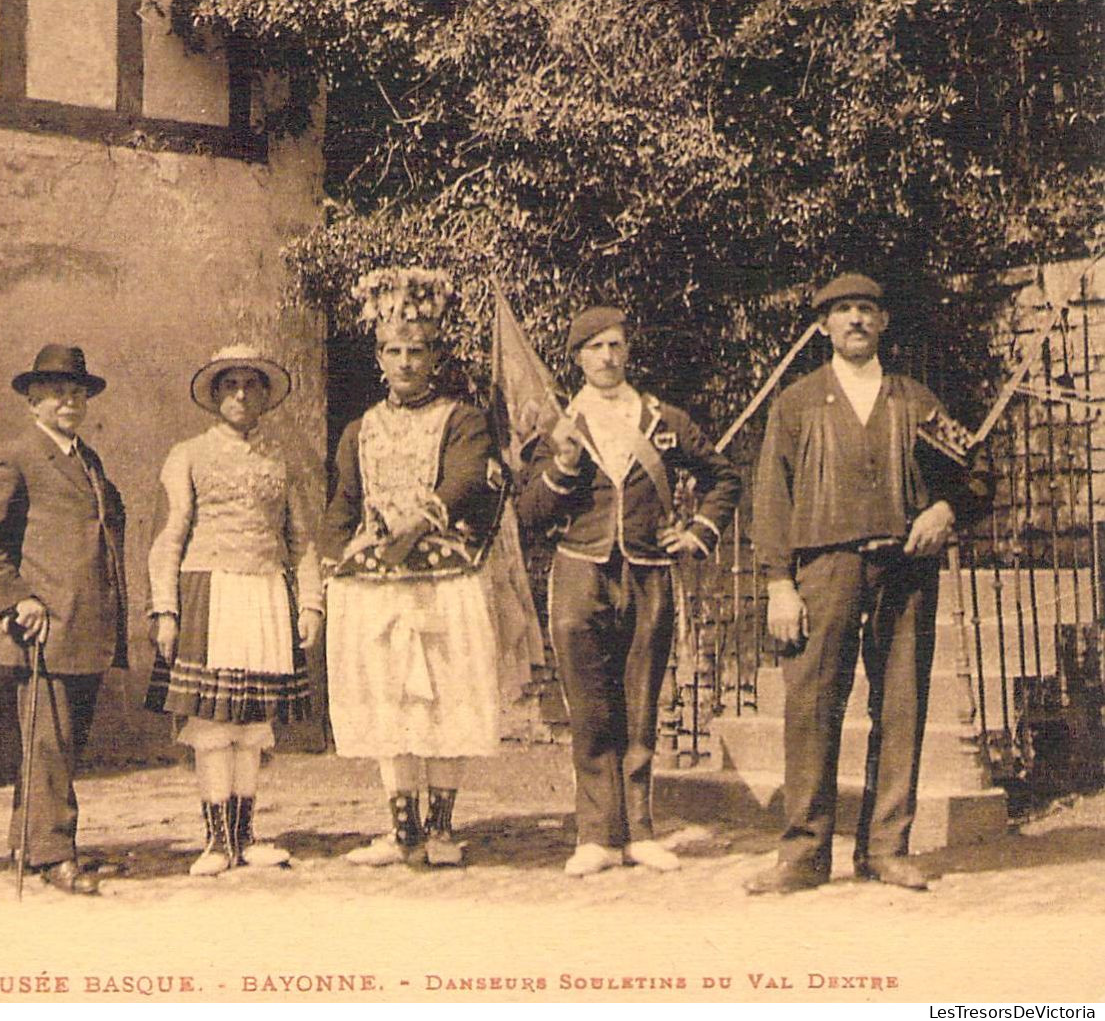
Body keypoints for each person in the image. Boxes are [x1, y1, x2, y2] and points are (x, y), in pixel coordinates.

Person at [745, 273, 981, 894]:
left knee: (901, 705)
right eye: (842, 311)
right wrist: (778, 583)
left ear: (883, 323)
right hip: (825, 570)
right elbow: (771, 498)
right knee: (812, 706)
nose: (855, 320)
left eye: (866, 310)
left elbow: (974, 477)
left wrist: (945, 510)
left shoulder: (915, 401)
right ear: (823, 326)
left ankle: (885, 848)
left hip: (905, 567)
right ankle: (802, 854)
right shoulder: (796, 404)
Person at [515, 306, 741, 877]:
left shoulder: (663, 420)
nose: (608, 357)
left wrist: (696, 533)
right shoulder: (559, 426)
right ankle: (596, 836)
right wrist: (563, 466)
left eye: (616, 345)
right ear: (578, 359)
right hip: (578, 572)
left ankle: (639, 830)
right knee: (589, 709)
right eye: (595, 348)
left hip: (647, 570)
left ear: (627, 351)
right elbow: (529, 512)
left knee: (642, 704)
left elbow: (724, 477)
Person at [319, 267, 510, 868]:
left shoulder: (462, 420)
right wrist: (325, 567)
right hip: (377, 586)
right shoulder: (359, 429)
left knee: (442, 699)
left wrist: (419, 521)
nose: (406, 363)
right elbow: (344, 502)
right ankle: (402, 831)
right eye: (394, 352)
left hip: (442, 581)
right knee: (391, 703)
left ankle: (442, 829)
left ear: (434, 357)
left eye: (417, 352)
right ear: (380, 358)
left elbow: (464, 479)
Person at [146, 345, 324, 876]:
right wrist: (165, 609)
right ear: (215, 396)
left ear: (266, 396)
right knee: (212, 722)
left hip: (266, 591)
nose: (241, 395)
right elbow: (168, 535)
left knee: (252, 723)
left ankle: (246, 836)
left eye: (251, 385)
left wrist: (310, 601)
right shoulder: (188, 454)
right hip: (210, 589)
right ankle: (215, 842)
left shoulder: (281, 459)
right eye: (230, 385)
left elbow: (302, 539)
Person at [0, 344, 125, 896]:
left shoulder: (88, 460)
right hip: (43, 627)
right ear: (33, 401)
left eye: (76, 391)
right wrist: (18, 600)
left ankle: (29, 846)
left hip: (86, 626)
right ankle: (55, 855)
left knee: (57, 746)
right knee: (48, 746)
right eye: (55, 392)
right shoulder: (17, 457)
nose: (68, 400)